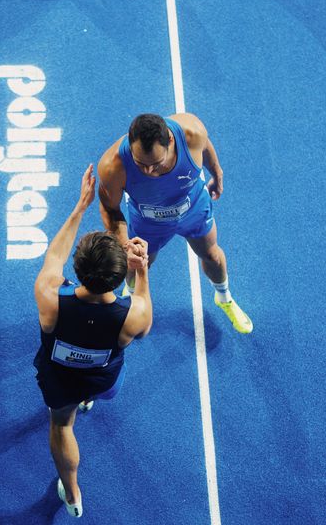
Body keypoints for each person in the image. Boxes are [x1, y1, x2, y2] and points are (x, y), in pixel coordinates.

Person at [34, 164, 152, 518]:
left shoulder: (51, 297)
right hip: (102, 379)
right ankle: (88, 399)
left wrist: (80, 206)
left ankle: (72, 495)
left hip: (59, 379)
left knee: (61, 425)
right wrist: (141, 270)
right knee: (93, 383)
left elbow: (52, 257)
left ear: (79, 269)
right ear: (118, 277)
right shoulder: (132, 316)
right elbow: (143, 305)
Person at [97, 112, 253, 334]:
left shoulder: (192, 133)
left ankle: (224, 297)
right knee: (137, 263)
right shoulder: (113, 166)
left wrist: (217, 173)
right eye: (140, 164)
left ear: (170, 140)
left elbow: (206, 147)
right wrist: (126, 246)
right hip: (148, 222)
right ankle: (130, 296)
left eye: (156, 164)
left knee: (212, 256)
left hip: (194, 208)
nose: (149, 171)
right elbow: (110, 210)